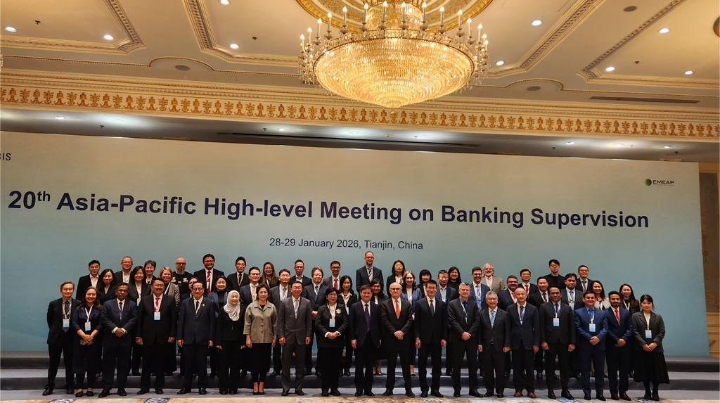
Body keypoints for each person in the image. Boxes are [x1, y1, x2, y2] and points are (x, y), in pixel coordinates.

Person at [135, 279, 177, 395]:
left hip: (163, 336)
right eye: (157, 285)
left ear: (164, 287)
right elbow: (139, 319)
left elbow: (173, 319)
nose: (159, 287)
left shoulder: (170, 299)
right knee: (146, 363)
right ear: (152, 287)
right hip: (147, 336)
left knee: (160, 363)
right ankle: (144, 387)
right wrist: (138, 335)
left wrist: (172, 334)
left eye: (161, 285)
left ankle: (159, 386)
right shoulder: (145, 300)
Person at [177, 281, 216, 395]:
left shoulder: (209, 303)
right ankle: (186, 387)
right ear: (192, 290)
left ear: (203, 290)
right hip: (188, 339)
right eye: (195, 289)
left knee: (202, 365)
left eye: (200, 288)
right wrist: (180, 337)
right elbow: (181, 321)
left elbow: (212, 322)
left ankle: (202, 387)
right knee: (187, 365)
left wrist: (211, 338)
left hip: (203, 339)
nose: (197, 291)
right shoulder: (185, 302)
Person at [99, 283, 136, 398]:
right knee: (108, 364)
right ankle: (106, 387)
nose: (122, 292)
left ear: (127, 293)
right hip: (110, 338)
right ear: (116, 292)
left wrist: (123, 330)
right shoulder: (107, 304)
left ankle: (121, 388)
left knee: (123, 364)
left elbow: (134, 318)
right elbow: (104, 318)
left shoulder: (132, 304)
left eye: (125, 291)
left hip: (125, 338)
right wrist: (115, 329)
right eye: (120, 290)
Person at [276, 281, 312, 396]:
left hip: (301, 337)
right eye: (295, 287)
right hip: (287, 337)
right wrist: (281, 335)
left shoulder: (307, 302)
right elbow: (280, 321)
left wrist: (308, 335)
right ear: (291, 289)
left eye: (299, 287)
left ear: (302, 289)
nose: (297, 289)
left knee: (300, 364)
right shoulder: (284, 302)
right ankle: (286, 388)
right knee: (286, 364)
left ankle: (298, 388)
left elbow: (309, 322)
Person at [44, 281, 80, 396]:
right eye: (65, 289)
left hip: (71, 338)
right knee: (53, 363)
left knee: (70, 363)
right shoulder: (53, 304)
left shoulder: (78, 304)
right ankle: (50, 386)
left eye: (70, 289)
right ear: (61, 291)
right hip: (56, 338)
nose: (68, 291)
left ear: (73, 290)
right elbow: (50, 320)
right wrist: (56, 330)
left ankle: (70, 385)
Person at [539, 286, 576, 400]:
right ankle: (550, 390)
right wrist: (543, 341)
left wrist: (572, 342)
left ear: (561, 294)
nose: (555, 295)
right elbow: (541, 326)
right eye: (552, 293)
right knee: (549, 368)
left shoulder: (567, 308)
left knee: (565, 368)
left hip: (564, 342)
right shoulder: (544, 307)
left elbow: (572, 326)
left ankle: (565, 390)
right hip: (550, 342)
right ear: (549, 295)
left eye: (557, 293)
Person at [380, 282, 415, 397]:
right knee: (391, 366)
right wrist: (394, 332)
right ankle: (389, 389)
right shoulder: (384, 304)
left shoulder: (407, 304)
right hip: (391, 339)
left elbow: (410, 320)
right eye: (393, 289)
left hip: (404, 339)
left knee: (406, 365)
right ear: (389, 291)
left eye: (397, 289)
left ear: (401, 291)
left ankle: (408, 389)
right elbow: (384, 320)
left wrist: (402, 331)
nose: (395, 291)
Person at [631, 294, 669, 401]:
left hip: (656, 349)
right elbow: (634, 331)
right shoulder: (635, 316)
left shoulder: (658, 317)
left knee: (656, 372)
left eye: (649, 303)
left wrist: (654, 343)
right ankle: (647, 392)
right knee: (644, 371)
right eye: (644, 303)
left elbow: (662, 332)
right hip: (641, 349)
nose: (646, 305)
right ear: (641, 304)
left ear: (652, 304)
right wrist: (643, 344)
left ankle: (655, 392)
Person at [447, 283, 481, 397]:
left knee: (473, 365)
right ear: (459, 291)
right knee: (456, 366)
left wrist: (469, 333)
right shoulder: (452, 304)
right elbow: (452, 320)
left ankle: (473, 389)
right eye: (463, 290)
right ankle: (457, 389)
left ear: (470, 292)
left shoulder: (473, 303)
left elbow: (477, 320)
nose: (465, 292)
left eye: (467, 290)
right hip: (457, 338)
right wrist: (462, 333)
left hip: (471, 339)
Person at [414, 280, 446, 398]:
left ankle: (435, 389)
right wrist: (417, 337)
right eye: (429, 288)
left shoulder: (442, 304)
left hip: (437, 340)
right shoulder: (419, 303)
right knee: (422, 366)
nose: (431, 290)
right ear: (425, 289)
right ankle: (424, 389)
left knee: (437, 366)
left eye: (433, 288)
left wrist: (444, 337)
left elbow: (444, 323)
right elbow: (416, 323)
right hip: (423, 340)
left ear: (436, 289)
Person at [575, 291, 609, 401]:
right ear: (584, 299)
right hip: (585, 345)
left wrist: (598, 337)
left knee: (599, 370)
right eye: (588, 298)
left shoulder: (602, 313)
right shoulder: (578, 312)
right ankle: (587, 392)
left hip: (599, 345)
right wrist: (590, 338)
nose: (590, 299)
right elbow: (578, 327)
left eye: (592, 298)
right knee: (585, 370)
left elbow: (605, 328)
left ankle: (600, 393)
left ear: (595, 299)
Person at [348, 285, 382, 397]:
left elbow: (379, 324)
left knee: (369, 366)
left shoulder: (376, 307)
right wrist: (352, 338)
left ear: (371, 294)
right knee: (359, 366)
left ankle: (368, 389)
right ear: (360, 294)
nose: (366, 295)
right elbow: (351, 325)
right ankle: (359, 389)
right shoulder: (354, 306)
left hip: (372, 340)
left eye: (368, 293)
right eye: (364, 293)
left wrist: (379, 338)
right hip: (359, 340)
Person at [245, 284, 278, 395]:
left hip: (267, 339)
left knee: (264, 363)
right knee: (254, 363)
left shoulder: (272, 307)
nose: (263, 294)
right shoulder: (251, 306)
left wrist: (275, 337)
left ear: (268, 294)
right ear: (257, 294)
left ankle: (262, 383)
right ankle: (255, 383)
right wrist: (247, 337)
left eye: (265, 292)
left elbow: (275, 324)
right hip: (254, 339)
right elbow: (247, 323)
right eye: (261, 292)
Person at [507, 286, 540, 398]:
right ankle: (518, 389)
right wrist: (508, 343)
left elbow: (537, 327)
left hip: (529, 343)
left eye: (522, 294)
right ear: (514, 295)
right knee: (517, 368)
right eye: (518, 294)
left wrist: (536, 343)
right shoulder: (510, 308)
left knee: (529, 368)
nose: (520, 296)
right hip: (515, 343)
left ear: (526, 295)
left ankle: (531, 390)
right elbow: (508, 328)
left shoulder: (533, 309)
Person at [315, 287, 348, 396]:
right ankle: (325, 388)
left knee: (336, 366)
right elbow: (318, 324)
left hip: (338, 341)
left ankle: (334, 388)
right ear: (326, 297)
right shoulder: (321, 308)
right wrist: (327, 333)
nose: (333, 296)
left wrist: (337, 333)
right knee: (325, 366)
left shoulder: (342, 307)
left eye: (334, 294)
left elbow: (345, 323)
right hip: (325, 342)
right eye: (330, 294)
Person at [479, 291, 511, 398]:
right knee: (487, 370)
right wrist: (479, 343)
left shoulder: (504, 314)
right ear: (486, 301)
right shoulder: (481, 313)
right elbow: (480, 331)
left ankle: (500, 391)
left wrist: (507, 344)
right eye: (490, 299)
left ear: (497, 301)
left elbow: (507, 331)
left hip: (500, 347)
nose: (492, 301)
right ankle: (489, 390)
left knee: (500, 370)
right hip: (486, 346)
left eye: (494, 299)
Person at [72, 286, 103, 397]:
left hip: (94, 340)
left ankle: (90, 387)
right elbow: (74, 323)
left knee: (92, 364)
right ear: (85, 295)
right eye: (88, 294)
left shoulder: (100, 308)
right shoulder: (78, 308)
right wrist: (84, 336)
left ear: (96, 296)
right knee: (79, 364)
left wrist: (91, 336)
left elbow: (101, 324)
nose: (91, 296)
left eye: (93, 294)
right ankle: (79, 388)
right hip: (79, 339)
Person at [606, 291, 633, 401]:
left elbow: (630, 327)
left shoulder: (626, 313)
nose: (615, 301)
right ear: (609, 300)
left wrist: (624, 339)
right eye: (613, 299)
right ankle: (613, 392)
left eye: (617, 299)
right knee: (612, 370)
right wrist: (617, 340)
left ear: (620, 300)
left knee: (624, 370)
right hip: (611, 345)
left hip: (625, 346)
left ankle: (623, 392)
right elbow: (606, 329)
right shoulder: (605, 313)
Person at [216, 290, 244, 394]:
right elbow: (218, 327)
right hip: (224, 341)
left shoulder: (242, 309)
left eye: (236, 297)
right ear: (228, 298)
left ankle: (233, 388)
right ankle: (223, 388)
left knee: (235, 365)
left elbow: (244, 327)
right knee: (223, 365)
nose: (234, 299)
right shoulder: (223, 310)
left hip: (237, 341)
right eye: (232, 296)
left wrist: (243, 342)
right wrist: (218, 342)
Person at [302, 266, 328, 374]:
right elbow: (303, 302)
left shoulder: (326, 288)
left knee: (321, 345)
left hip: (322, 321)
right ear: (312, 276)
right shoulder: (306, 288)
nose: (318, 276)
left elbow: (328, 304)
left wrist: (319, 313)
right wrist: (312, 312)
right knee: (307, 345)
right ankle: (307, 367)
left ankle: (319, 368)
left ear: (322, 276)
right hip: (309, 321)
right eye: (316, 274)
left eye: (319, 275)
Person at [269, 268, 292, 375]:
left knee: (287, 348)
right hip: (276, 322)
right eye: (283, 275)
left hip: (290, 323)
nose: (285, 277)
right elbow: (270, 306)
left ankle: (286, 369)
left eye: (287, 275)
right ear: (279, 278)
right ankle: (276, 369)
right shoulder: (272, 290)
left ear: (289, 277)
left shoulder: (293, 289)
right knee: (276, 348)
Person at [338, 275, 356, 376]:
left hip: (350, 324)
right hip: (340, 324)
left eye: (348, 283)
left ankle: (347, 368)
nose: (346, 285)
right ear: (341, 284)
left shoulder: (354, 296)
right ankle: (340, 368)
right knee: (340, 347)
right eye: (344, 283)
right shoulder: (337, 295)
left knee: (349, 348)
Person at [369, 278, 387, 375]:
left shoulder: (385, 298)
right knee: (372, 347)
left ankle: (379, 367)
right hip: (370, 325)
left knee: (380, 347)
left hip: (382, 326)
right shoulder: (367, 296)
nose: (376, 288)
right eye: (374, 286)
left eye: (378, 286)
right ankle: (372, 366)